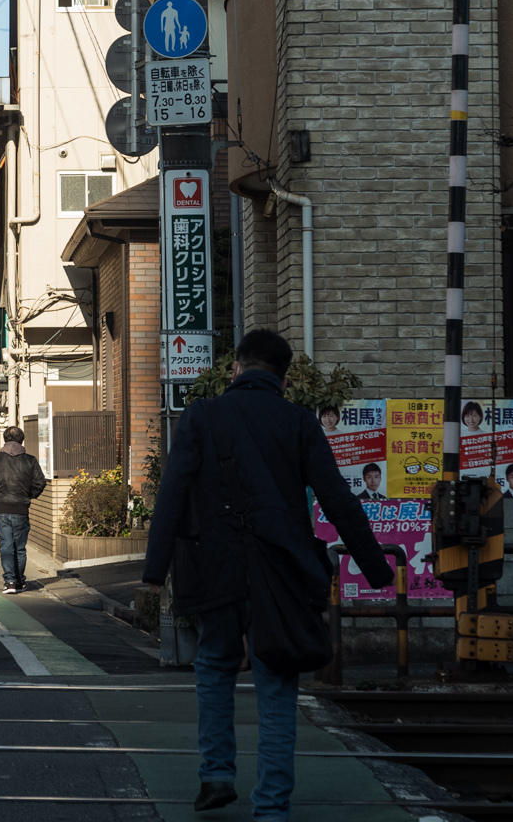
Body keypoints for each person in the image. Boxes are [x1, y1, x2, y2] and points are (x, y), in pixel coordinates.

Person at [143, 329, 394, 821]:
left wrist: (155, 572)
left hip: (213, 568)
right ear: (284, 377)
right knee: (276, 681)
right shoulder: (299, 422)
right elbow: (338, 499)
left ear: (236, 368)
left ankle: (216, 775)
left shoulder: (202, 416)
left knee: (214, 663)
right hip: (279, 572)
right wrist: (377, 569)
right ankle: (271, 807)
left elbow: (171, 493)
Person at [0, 427, 47, 593]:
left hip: (2, 507)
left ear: (4, 439)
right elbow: (40, 482)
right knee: (20, 547)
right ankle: (19, 581)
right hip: (21, 508)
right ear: (22, 440)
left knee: (6, 546)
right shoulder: (30, 460)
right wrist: (28, 496)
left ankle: (10, 581)